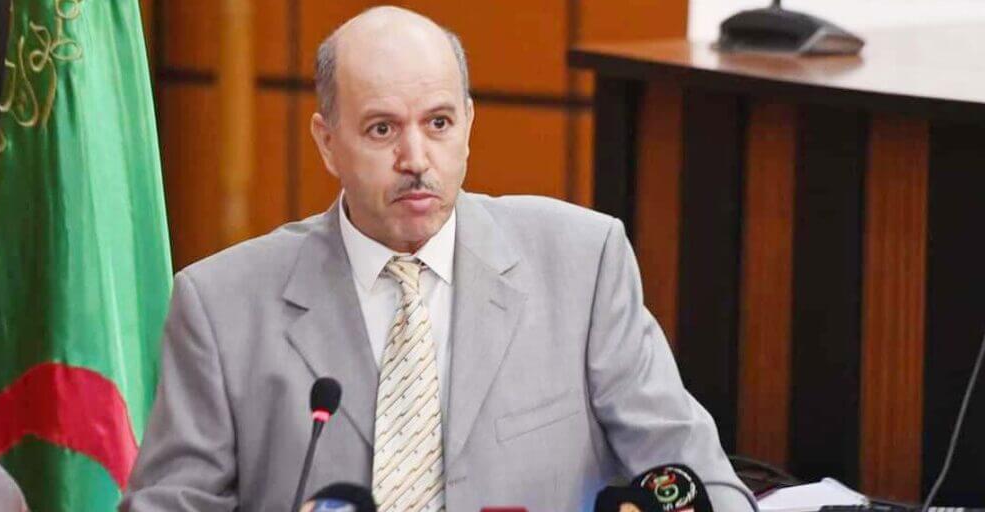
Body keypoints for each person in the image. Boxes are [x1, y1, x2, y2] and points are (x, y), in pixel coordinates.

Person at [121, 6, 751, 511]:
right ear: (327, 143)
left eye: (439, 123)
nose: (416, 159)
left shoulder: (582, 265)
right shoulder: (221, 306)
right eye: (382, 129)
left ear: (469, 125)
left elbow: (698, 476)